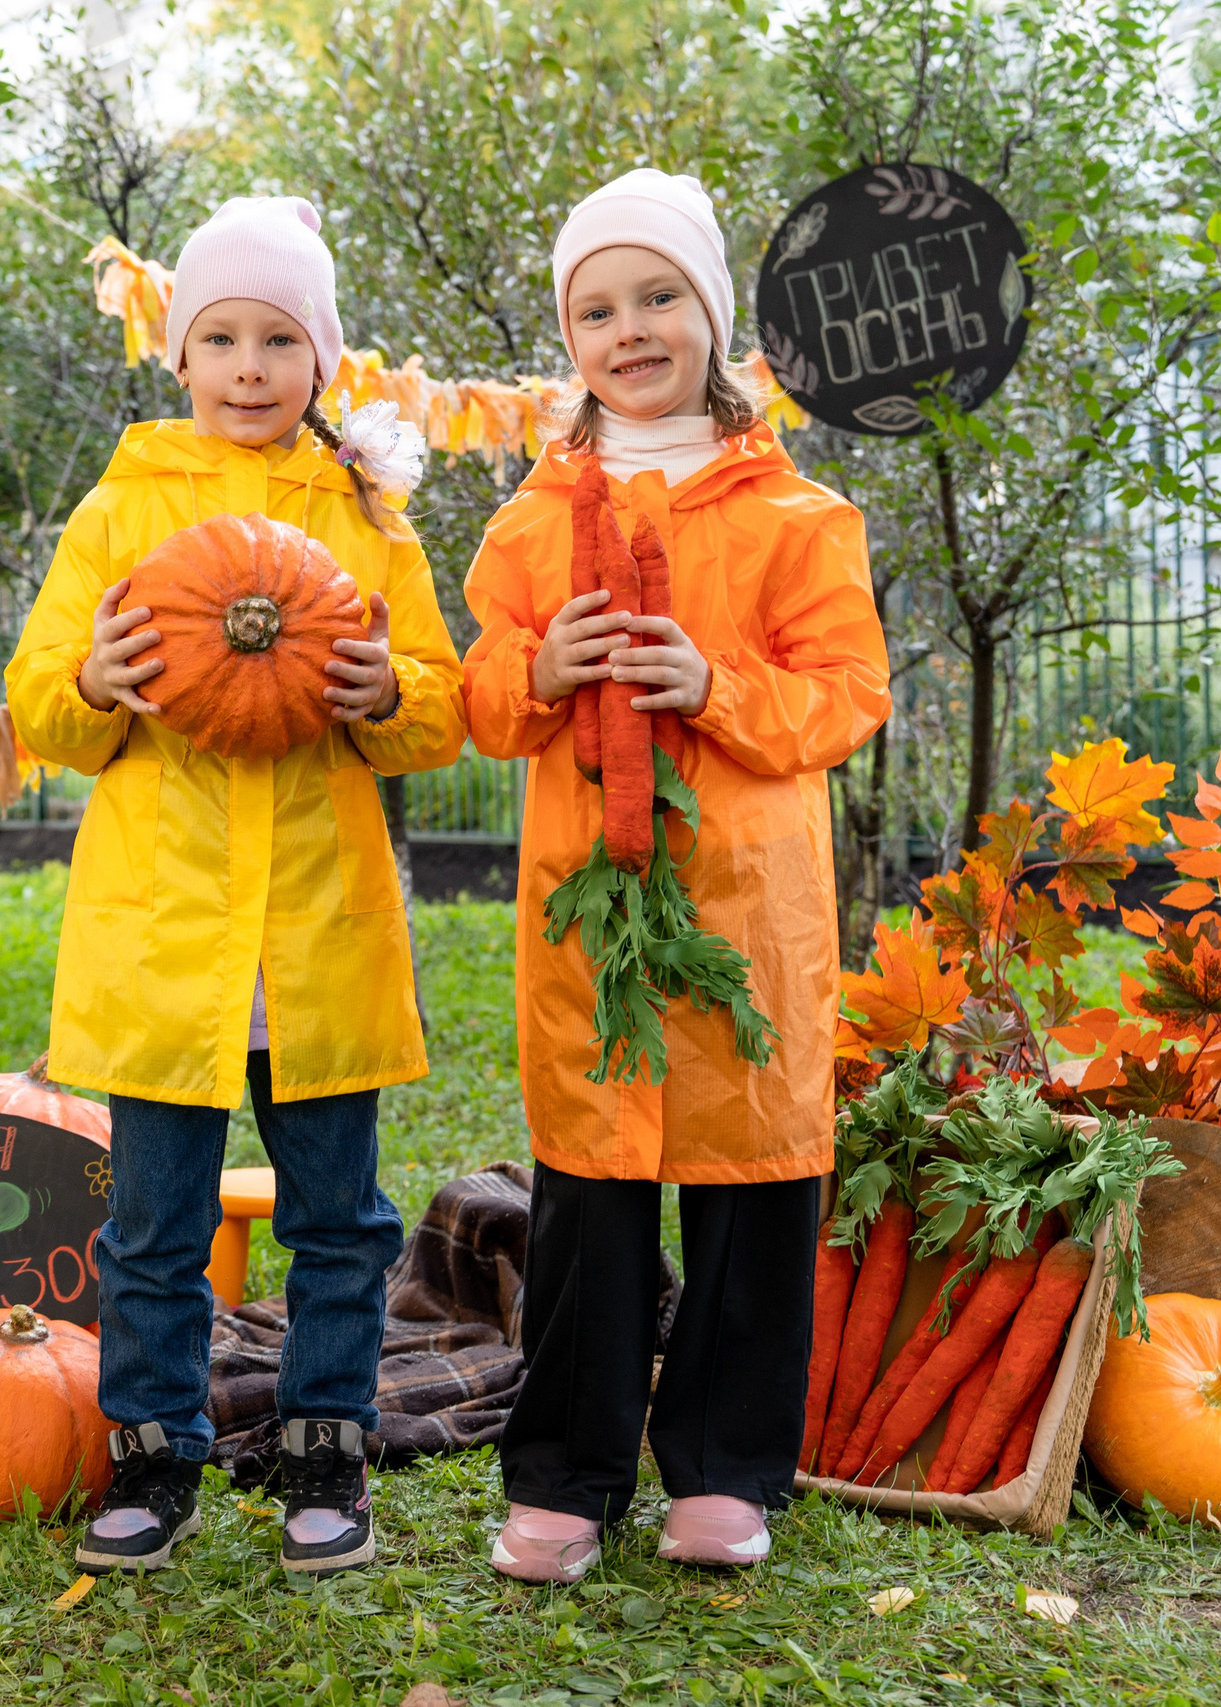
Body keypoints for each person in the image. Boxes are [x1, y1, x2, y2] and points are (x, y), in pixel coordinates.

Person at [5, 195, 466, 1578]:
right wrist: (95, 681)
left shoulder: (369, 518)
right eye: (221, 337)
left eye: (279, 338)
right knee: (156, 1226)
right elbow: (40, 699)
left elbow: (440, 705)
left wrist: (388, 693)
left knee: (341, 1222)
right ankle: (154, 1456)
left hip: (316, 935)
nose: (250, 367)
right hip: (169, 941)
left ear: (322, 357)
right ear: (180, 353)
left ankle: (327, 1446)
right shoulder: (122, 508)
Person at [458, 168, 891, 1582]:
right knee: (588, 1189)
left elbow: (849, 694)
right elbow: (481, 700)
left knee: (752, 1182)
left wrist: (716, 685)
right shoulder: (531, 523)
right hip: (591, 898)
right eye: (596, 309)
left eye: (658, 297)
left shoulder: (797, 517)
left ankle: (724, 1467)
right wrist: (539, 671)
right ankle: (566, 1477)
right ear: (569, 338)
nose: (629, 329)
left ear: (711, 316)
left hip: (748, 900)